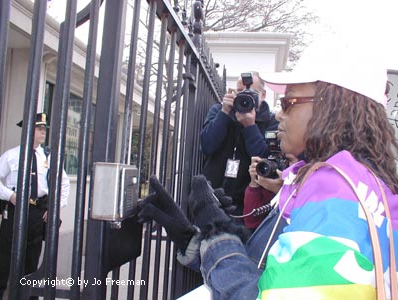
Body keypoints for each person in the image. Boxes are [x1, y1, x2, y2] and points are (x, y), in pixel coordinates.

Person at [139, 37, 398, 300]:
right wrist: (194, 239)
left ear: (334, 108)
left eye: (289, 103)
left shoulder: (335, 190)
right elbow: (265, 267)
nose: (278, 114)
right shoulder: (354, 184)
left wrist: (219, 233)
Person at [0, 113, 70, 299]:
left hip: (38, 212)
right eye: (39, 128)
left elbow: (64, 183)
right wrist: (9, 195)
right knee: (5, 257)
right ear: (28, 131)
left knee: (32, 258)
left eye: (43, 129)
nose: (43, 132)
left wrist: (55, 207)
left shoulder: (48, 157)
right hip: (15, 210)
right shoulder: (12, 156)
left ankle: (29, 295)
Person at [200, 71, 278, 214]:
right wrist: (224, 113)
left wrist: (250, 127)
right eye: (241, 91)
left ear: (263, 95)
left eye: (252, 92)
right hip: (212, 199)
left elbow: (266, 161)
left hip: (247, 204)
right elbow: (206, 146)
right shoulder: (220, 111)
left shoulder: (272, 122)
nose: (246, 96)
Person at [243, 153, 298, 230]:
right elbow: (251, 222)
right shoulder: (269, 180)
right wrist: (254, 183)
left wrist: (282, 192)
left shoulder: (308, 185)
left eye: (288, 160)